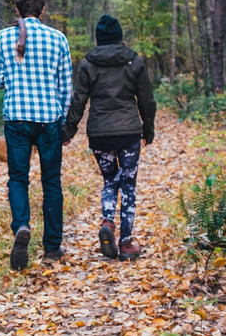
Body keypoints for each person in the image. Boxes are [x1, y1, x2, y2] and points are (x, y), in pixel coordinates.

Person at [0, 0, 73, 270]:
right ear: (43, 10)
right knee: (51, 182)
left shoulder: (3, 37)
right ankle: (52, 247)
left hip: (17, 119)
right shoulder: (58, 38)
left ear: (17, 11)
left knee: (18, 178)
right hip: (49, 119)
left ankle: (22, 226)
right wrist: (63, 123)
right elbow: (66, 88)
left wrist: (13, 80)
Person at [63, 15, 156, 261]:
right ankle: (125, 244)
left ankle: (107, 222)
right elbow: (146, 99)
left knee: (109, 181)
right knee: (128, 186)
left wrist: (68, 131)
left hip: (100, 135)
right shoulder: (133, 61)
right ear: (119, 37)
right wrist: (148, 129)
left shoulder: (88, 64)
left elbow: (79, 100)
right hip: (128, 134)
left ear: (99, 38)